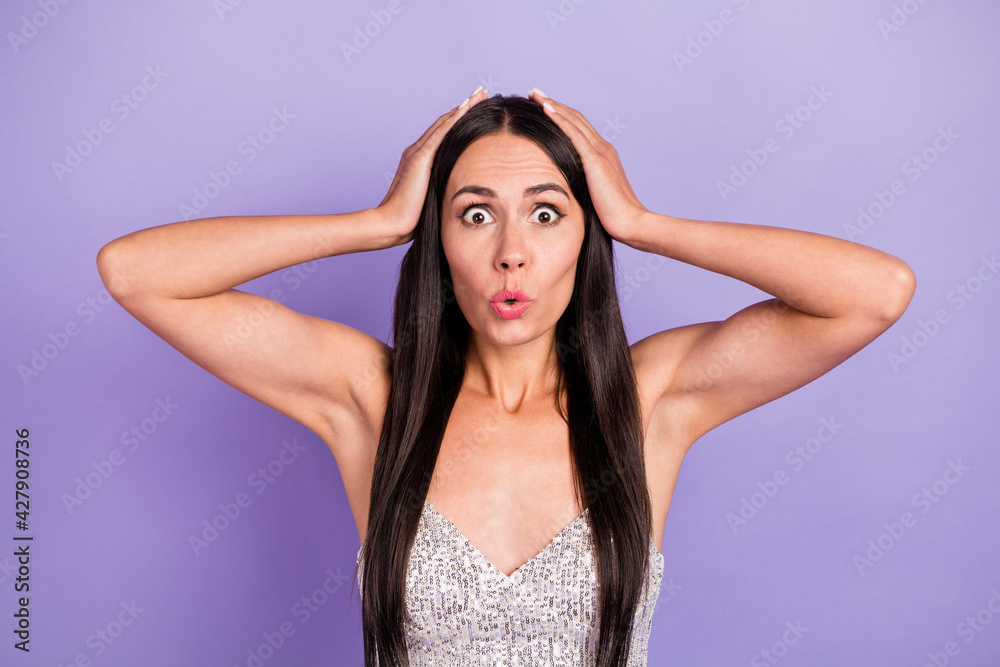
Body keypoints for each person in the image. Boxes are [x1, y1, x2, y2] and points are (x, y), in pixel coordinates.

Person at [96, 85, 916, 666]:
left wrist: (643, 221)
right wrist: (376, 223)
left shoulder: (649, 401)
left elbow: (876, 294)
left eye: (548, 213)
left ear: (583, 241)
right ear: (440, 238)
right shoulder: (374, 400)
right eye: (476, 212)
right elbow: (135, 271)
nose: (511, 249)